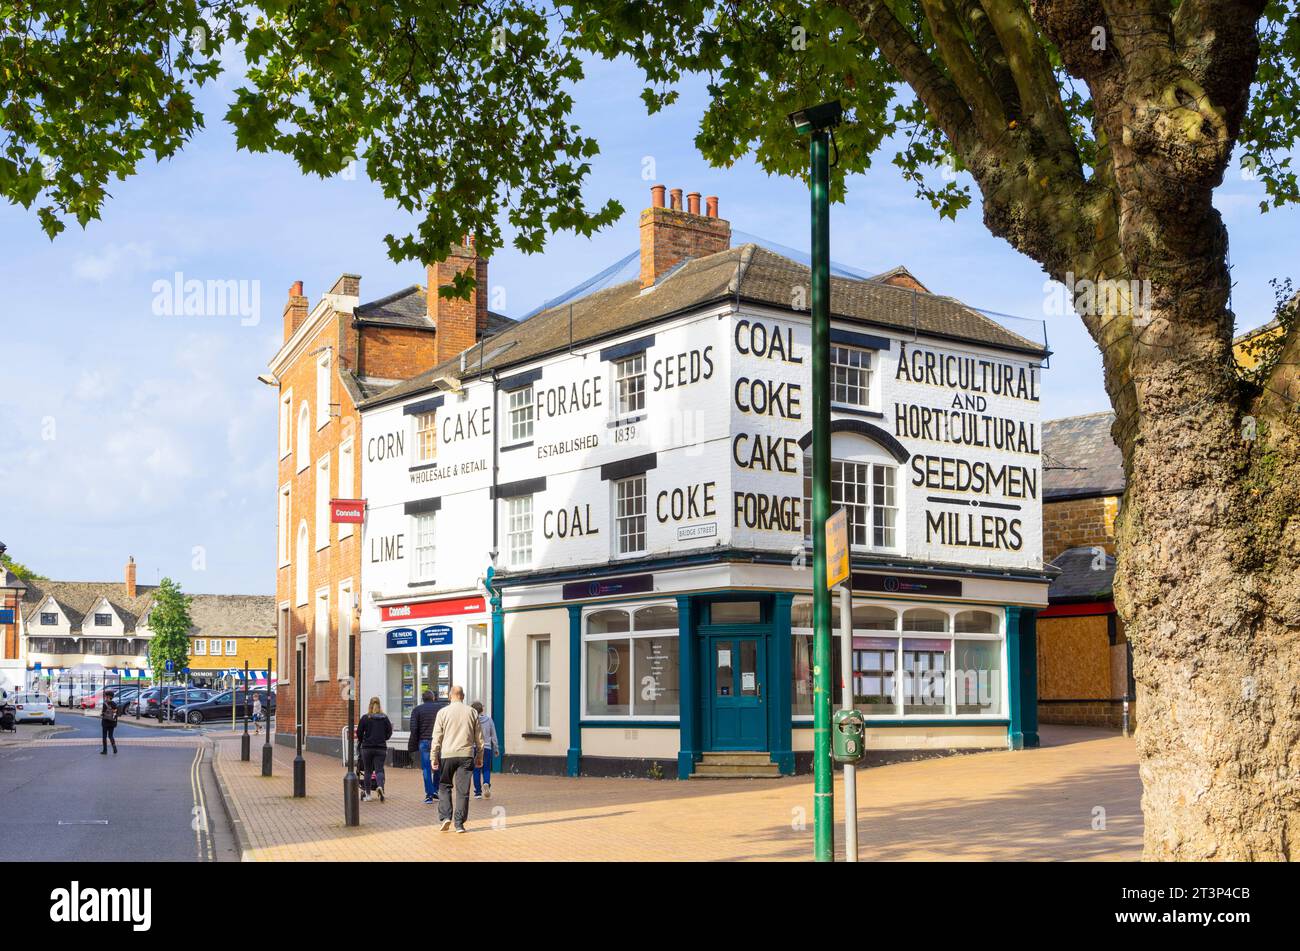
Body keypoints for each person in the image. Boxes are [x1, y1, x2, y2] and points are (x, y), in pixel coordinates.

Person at [431, 686, 484, 833]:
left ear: (450, 696)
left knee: (444, 786)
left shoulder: (442, 713)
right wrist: (479, 756)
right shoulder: (472, 712)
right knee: (463, 791)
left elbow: (437, 737)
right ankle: (459, 823)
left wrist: (433, 757)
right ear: (463, 696)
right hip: (466, 755)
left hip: (447, 754)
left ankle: (445, 816)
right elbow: (479, 738)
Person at [407, 690, 448, 803]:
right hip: (438, 742)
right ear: (433, 698)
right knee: (438, 767)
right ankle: (435, 790)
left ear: (422, 699)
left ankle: (429, 795)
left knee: (426, 769)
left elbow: (414, 729)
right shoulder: (441, 708)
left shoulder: (417, 710)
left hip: (424, 742)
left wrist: (413, 744)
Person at [357, 697, 393, 802]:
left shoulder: (365, 718)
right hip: (381, 748)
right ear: (379, 705)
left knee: (368, 771)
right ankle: (380, 786)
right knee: (379, 770)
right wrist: (383, 738)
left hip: (367, 748)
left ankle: (368, 795)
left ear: (370, 705)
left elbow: (359, 732)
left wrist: (363, 740)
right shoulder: (385, 718)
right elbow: (389, 732)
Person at [471, 700, 498, 799]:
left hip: (475, 747)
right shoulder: (489, 720)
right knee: (486, 768)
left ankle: (478, 792)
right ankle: (486, 782)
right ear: (482, 709)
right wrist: (496, 748)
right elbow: (493, 735)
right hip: (486, 747)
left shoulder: (472, 721)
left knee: (476, 770)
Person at [100, 689, 119, 754]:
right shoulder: (114, 704)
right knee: (111, 736)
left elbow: (103, 712)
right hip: (112, 722)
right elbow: (116, 714)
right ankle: (114, 748)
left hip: (105, 722)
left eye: (106, 696)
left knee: (104, 736)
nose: (105, 697)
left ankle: (105, 750)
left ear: (108, 696)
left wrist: (102, 714)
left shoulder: (105, 704)